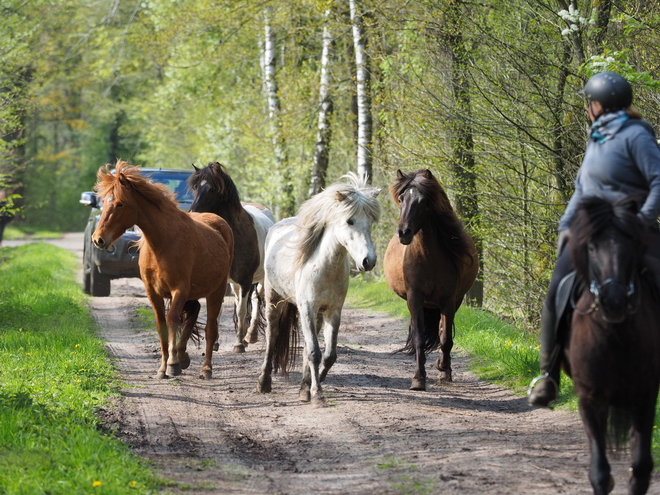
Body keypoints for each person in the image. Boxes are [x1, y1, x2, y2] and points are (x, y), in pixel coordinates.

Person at [528, 71, 660, 408]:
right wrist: (566, 226)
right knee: (558, 287)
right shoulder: (597, 137)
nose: (588, 107)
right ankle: (548, 374)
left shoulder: (636, 135)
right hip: (594, 232)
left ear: (598, 104)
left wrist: (643, 221)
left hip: (633, 229)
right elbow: (582, 190)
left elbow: (658, 181)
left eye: (589, 102)